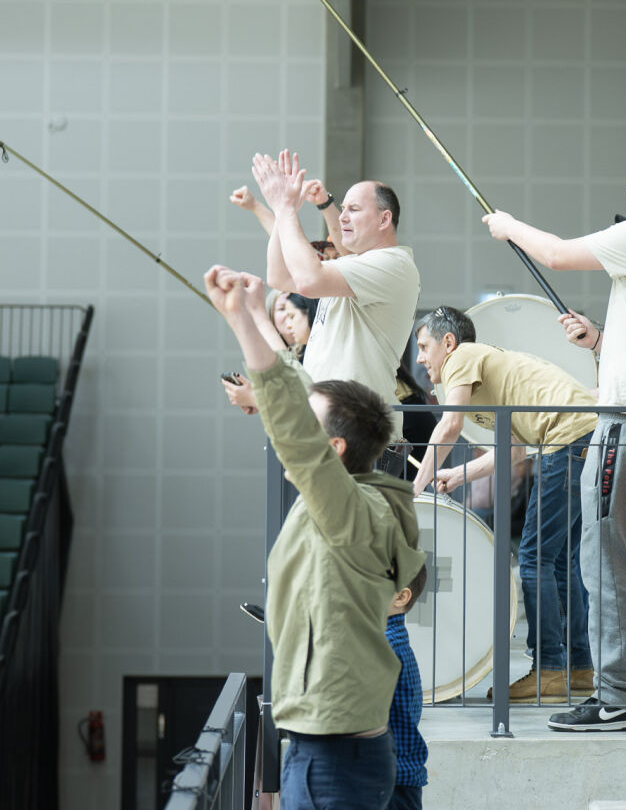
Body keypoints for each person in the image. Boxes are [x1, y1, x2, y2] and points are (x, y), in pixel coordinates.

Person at [483, 146, 626, 731]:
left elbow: (557, 255)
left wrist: (509, 227)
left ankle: (615, 698)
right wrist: (600, 340)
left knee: (606, 560)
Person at [202, 265, 424, 810]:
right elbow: (302, 395)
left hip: (333, 757)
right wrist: (258, 312)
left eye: (311, 427)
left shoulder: (349, 510)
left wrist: (240, 323)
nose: (294, 429)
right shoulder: (356, 498)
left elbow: (295, 428)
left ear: (335, 449)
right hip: (331, 746)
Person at [412, 306, 598, 703]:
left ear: (448, 342)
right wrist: (456, 475)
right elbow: (512, 451)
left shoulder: (462, 357)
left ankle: (548, 670)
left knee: (533, 558)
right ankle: (579, 668)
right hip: (581, 436)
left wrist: (416, 487)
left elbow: (450, 425)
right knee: (559, 560)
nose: (421, 358)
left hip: (567, 437)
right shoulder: (491, 376)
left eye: (425, 346)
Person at [253, 150, 421, 440]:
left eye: (353, 209)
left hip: (359, 432)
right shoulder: (351, 266)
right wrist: (282, 213)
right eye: (342, 209)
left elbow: (308, 280)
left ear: (384, 219)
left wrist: (286, 208)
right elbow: (279, 277)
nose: (342, 217)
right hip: (329, 427)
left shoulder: (394, 263)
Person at [222, 290, 317, 415]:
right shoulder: (272, 357)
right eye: (282, 308)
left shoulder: (313, 350)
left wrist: (255, 398)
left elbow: (304, 401)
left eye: (295, 309)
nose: (289, 315)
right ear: (270, 316)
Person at [385, 565, 430, 810]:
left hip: (390, 786)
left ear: (401, 597)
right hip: (395, 783)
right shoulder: (390, 644)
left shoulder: (383, 650)